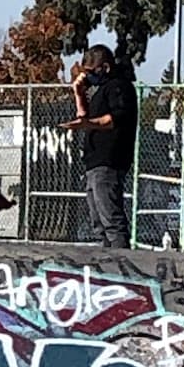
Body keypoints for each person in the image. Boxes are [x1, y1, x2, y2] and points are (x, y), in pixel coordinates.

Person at [60, 44, 138, 249]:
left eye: (91, 72)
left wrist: (89, 124)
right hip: (94, 162)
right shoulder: (99, 92)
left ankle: (123, 264)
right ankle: (105, 265)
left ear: (104, 67)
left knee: (111, 220)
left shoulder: (119, 87)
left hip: (109, 160)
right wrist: (78, 94)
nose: (88, 77)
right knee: (98, 223)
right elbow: (83, 117)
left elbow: (116, 119)